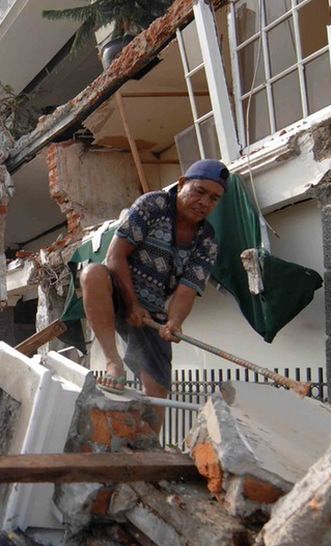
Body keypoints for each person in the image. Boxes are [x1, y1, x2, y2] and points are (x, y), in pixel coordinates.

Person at [80, 159, 227, 432]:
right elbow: (115, 255)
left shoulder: (207, 240)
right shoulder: (153, 205)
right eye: (199, 191)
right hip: (118, 291)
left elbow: (187, 290)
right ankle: (113, 362)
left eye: (213, 198)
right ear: (182, 183)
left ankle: (147, 447)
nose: (204, 202)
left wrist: (174, 323)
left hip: (153, 312)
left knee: (157, 394)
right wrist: (132, 303)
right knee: (92, 274)